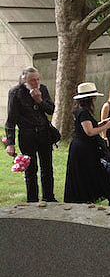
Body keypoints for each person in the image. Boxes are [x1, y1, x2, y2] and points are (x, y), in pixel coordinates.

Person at [64, 82, 110, 207]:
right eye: (93, 97)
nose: (95, 99)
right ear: (89, 98)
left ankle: (108, 199)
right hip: (83, 149)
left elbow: (89, 126)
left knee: (90, 173)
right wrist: (107, 126)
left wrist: (102, 122)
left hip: (81, 148)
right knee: (98, 173)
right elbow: (89, 132)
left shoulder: (81, 110)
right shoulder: (83, 112)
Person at [5, 67, 57, 202]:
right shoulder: (16, 93)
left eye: (38, 79)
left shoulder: (43, 89)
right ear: (24, 80)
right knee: (31, 169)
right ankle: (32, 201)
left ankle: (48, 197)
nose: (36, 82)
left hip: (44, 133)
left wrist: (39, 100)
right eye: (32, 80)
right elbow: (11, 120)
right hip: (27, 135)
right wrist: (10, 143)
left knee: (47, 168)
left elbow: (51, 109)